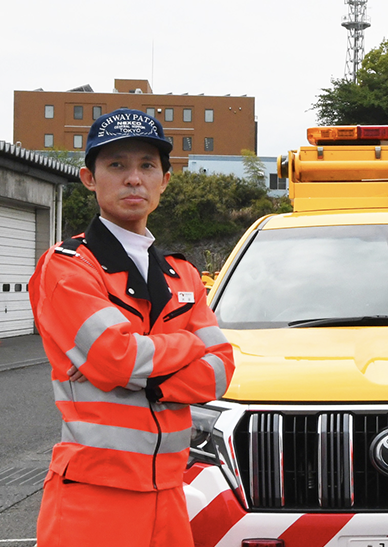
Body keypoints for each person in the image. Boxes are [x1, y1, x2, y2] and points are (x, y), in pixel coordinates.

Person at [29, 108, 235, 547]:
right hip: (94, 496)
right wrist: (184, 344)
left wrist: (145, 370)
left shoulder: (183, 274)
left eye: (146, 165)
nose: (133, 178)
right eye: (116, 165)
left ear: (165, 179)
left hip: (170, 492)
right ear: (89, 177)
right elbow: (115, 358)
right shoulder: (67, 268)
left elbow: (220, 370)